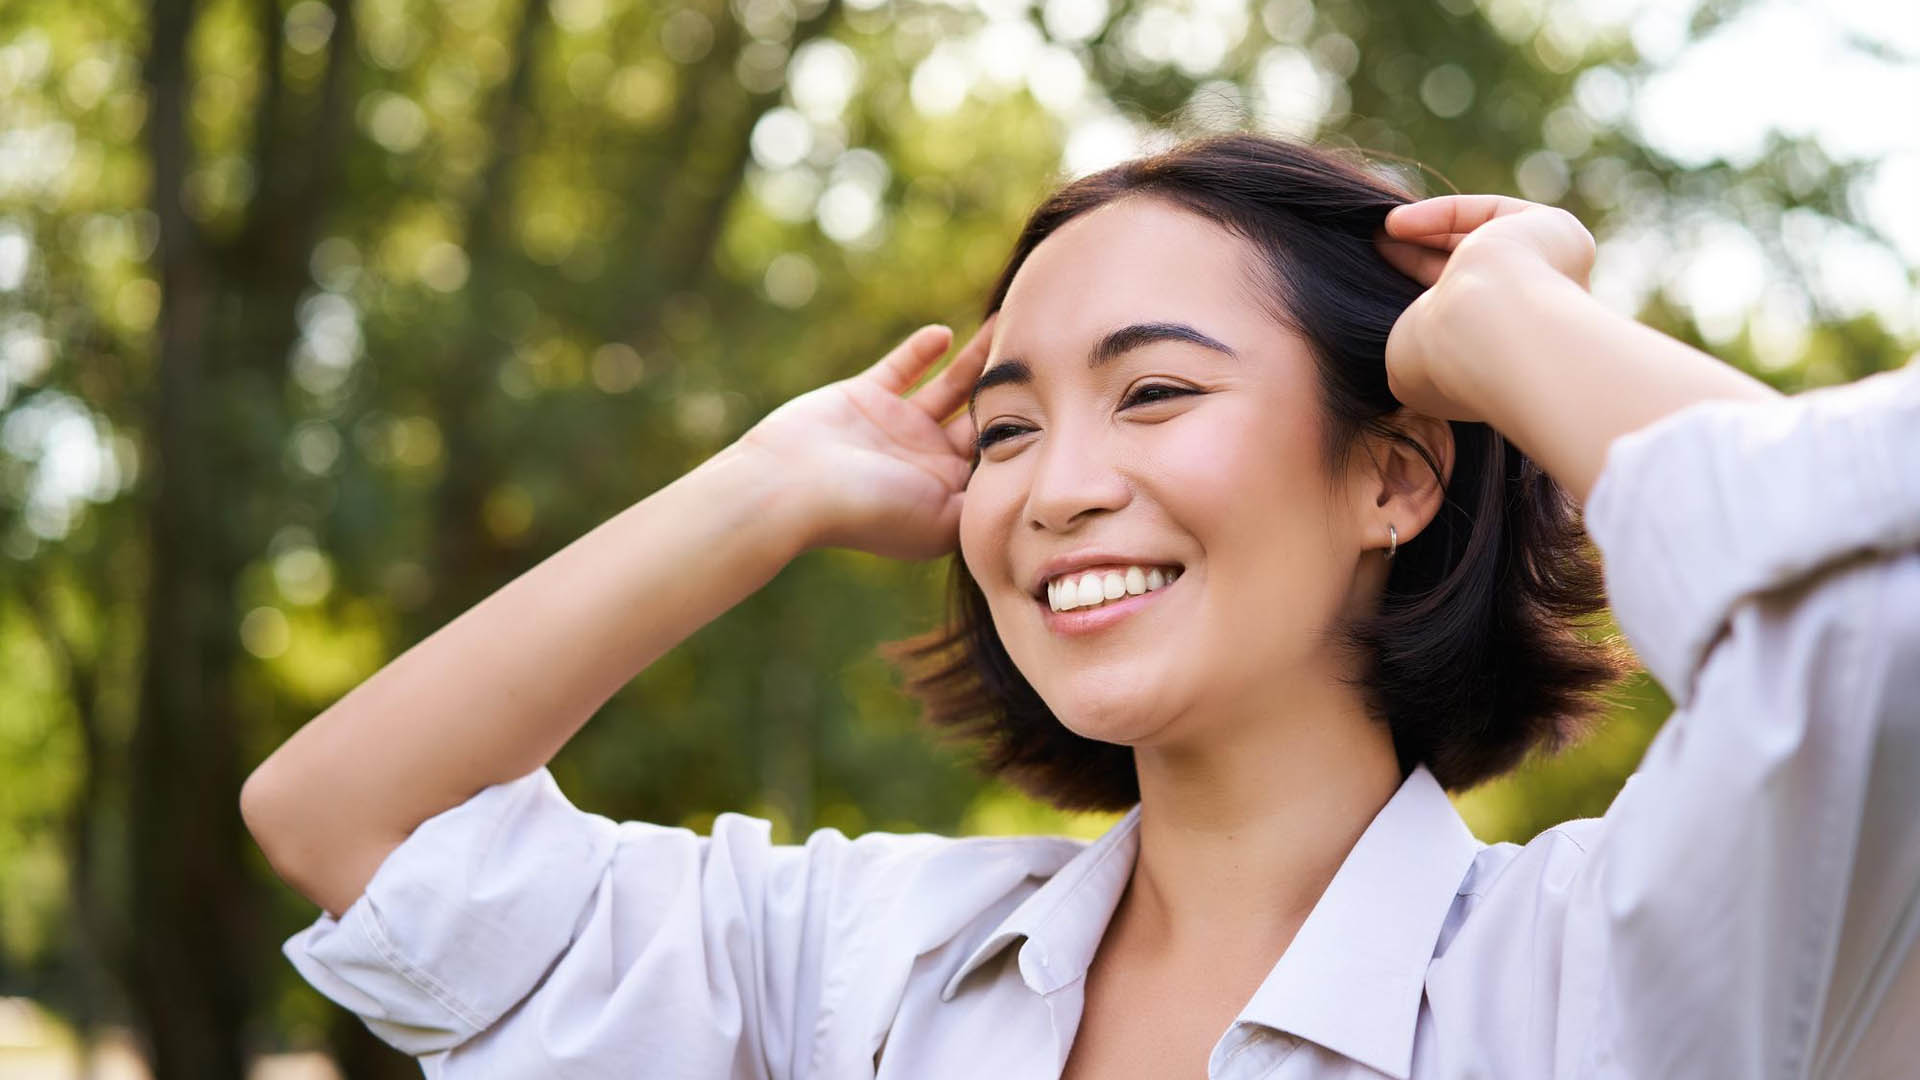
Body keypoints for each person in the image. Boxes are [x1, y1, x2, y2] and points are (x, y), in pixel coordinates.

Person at [240, 134, 1920, 1079]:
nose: (1051, 489)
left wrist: (1508, 323)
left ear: (1393, 478)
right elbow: (353, 823)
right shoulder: (866, 971)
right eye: (1006, 427)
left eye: (1158, 394)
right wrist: (769, 486)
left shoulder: (1624, 977)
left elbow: (1881, 601)